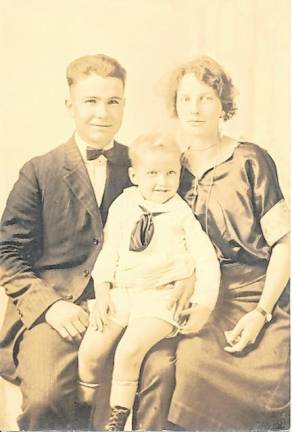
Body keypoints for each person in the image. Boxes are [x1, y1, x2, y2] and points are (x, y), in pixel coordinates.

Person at [0, 54, 187, 431]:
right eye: (91, 101)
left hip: (133, 305)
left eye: (113, 101)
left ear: (123, 105)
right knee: (46, 397)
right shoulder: (39, 170)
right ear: (70, 105)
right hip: (58, 311)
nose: (102, 113)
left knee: (161, 375)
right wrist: (51, 306)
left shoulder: (144, 165)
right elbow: (7, 253)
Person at [161, 56, 290, 430]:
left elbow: (285, 244)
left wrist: (261, 312)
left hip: (258, 294)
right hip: (204, 296)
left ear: (223, 106)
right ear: (175, 106)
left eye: (206, 98)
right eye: (186, 99)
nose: (195, 109)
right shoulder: (171, 169)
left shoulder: (251, 160)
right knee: (192, 365)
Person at [77, 132, 220, 431]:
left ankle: (117, 420)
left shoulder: (181, 214)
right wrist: (102, 290)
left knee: (129, 350)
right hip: (121, 293)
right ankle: (82, 413)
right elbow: (110, 250)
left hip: (161, 298)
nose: (162, 182)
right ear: (134, 174)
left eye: (171, 173)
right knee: (91, 351)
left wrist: (204, 303)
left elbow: (206, 260)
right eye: (152, 173)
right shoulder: (124, 205)